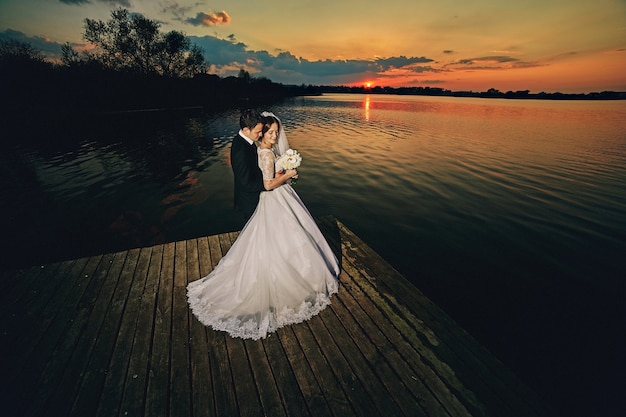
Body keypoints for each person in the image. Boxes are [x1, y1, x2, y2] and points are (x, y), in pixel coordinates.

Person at [187, 111, 340, 340]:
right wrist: (287, 174)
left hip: (268, 196)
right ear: (250, 130)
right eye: (267, 132)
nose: (271, 135)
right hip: (268, 196)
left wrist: (280, 171)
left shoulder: (256, 147)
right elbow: (266, 184)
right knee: (279, 236)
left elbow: (263, 174)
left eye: (273, 132)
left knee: (276, 237)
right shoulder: (253, 150)